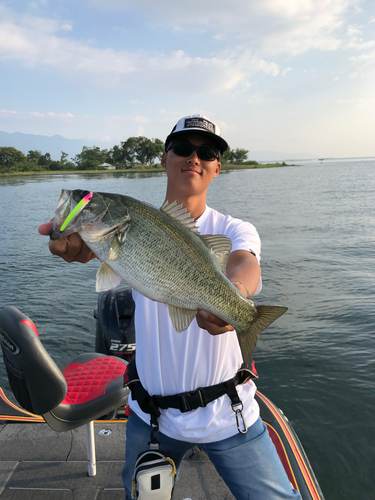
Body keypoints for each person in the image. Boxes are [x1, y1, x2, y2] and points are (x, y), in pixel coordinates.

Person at [39, 114, 301, 500]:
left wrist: (237, 299)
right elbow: (93, 253)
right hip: (152, 420)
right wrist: (80, 246)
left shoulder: (232, 228)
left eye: (206, 151)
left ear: (217, 166)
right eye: (182, 148)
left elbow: (245, 263)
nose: (193, 157)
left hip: (230, 416)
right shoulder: (130, 227)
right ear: (164, 158)